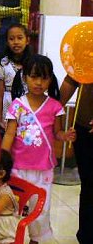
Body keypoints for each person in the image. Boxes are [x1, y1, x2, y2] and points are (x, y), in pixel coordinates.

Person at [2, 55, 76, 244]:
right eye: (34, 77)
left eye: (44, 78)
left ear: (50, 79)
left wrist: (64, 136)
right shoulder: (17, 105)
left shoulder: (55, 106)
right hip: (18, 167)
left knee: (41, 208)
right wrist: (2, 157)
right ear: (25, 77)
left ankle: (37, 239)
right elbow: (9, 135)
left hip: (44, 169)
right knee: (14, 206)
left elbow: (57, 132)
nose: (39, 82)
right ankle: (10, 238)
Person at [60, 76, 93, 244]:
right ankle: (86, 236)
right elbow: (72, 78)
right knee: (88, 185)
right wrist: (52, 108)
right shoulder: (86, 51)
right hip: (84, 128)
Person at [0, 23, 32, 130]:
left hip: (27, 104)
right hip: (8, 104)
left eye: (20, 38)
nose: (16, 42)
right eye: (11, 39)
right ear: (7, 42)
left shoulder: (32, 64)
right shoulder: (3, 64)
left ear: (27, 40)